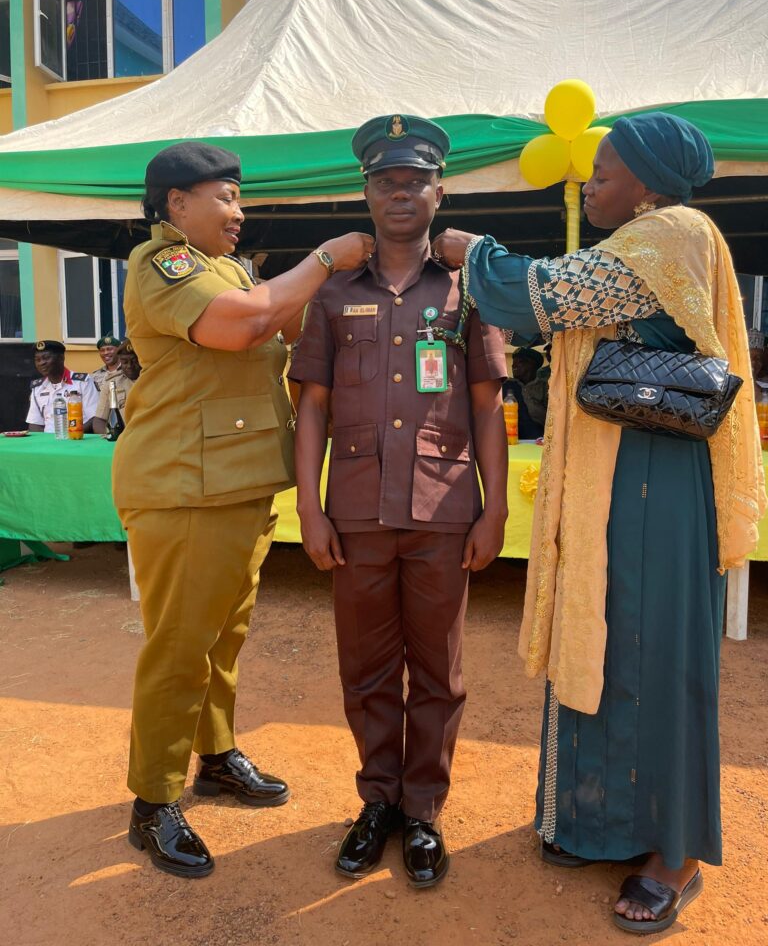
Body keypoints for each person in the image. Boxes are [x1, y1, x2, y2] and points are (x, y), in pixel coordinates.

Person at [432, 114, 765, 932]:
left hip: (657, 480)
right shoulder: (639, 243)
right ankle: (599, 823)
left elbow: (532, 296)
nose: (590, 182)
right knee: (605, 643)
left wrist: (468, 249)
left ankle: (674, 853)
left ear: (650, 182)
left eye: (606, 169)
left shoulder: (672, 233)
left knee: (655, 656)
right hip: (611, 481)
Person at [113, 141, 374, 879]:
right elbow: (244, 325)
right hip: (183, 486)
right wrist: (324, 258)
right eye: (224, 197)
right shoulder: (161, 267)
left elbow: (285, 322)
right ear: (176, 203)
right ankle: (152, 801)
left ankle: (215, 756)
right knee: (179, 645)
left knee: (221, 638)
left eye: (239, 198)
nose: (238, 212)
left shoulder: (229, 268)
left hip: (236, 483)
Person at [290, 115, 508, 888]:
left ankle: (423, 813)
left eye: (416, 180)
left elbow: (486, 404)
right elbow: (310, 403)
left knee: (439, 672)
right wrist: (310, 509)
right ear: (367, 193)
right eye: (387, 181)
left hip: (443, 509)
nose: (402, 193)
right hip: (353, 513)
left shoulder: (467, 289)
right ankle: (376, 802)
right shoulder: (331, 292)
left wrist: (495, 507)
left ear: (439, 190)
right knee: (367, 667)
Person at [26, 339, 99, 433]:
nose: (41, 363)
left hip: (77, 439)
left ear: (61, 358)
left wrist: (72, 435)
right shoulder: (37, 388)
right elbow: (35, 424)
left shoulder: (82, 382)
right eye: (38, 360)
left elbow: (94, 418)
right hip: (49, 442)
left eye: (46, 358)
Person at [92, 340, 142, 435]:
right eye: (125, 362)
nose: (129, 366)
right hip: (121, 439)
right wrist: (111, 435)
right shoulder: (112, 383)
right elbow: (99, 420)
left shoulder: (154, 381)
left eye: (134, 361)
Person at [502, 346, 547, 439]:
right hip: (510, 433)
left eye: (520, 362)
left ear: (533, 364)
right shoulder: (507, 385)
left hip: (538, 435)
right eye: (513, 363)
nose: (514, 366)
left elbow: (552, 416)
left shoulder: (544, 387)